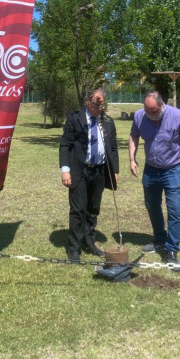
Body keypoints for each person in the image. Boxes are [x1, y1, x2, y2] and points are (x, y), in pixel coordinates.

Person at [129, 91, 180, 266]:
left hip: (174, 169)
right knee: (152, 206)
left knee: (174, 210)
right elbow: (133, 136)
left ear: (162, 105)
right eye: (147, 110)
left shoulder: (177, 116)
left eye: (153, 111)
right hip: (151, 170)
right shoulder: (139, 116)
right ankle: (159, 239)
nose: (150, 115)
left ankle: (172, 249)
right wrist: (132, 158)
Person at [59, 88, 119, 261]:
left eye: (101, 104)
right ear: (87, 101)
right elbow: (65, 145)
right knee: (78, 210)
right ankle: (74, 249)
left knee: (93, 209)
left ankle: (90, 242)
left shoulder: (107, 121)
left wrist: (115, 170)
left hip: (100, 170)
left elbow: (113, 148)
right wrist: (65, 169)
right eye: (95, 103)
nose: (98, 107)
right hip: (79, 170)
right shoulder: (74, 118)